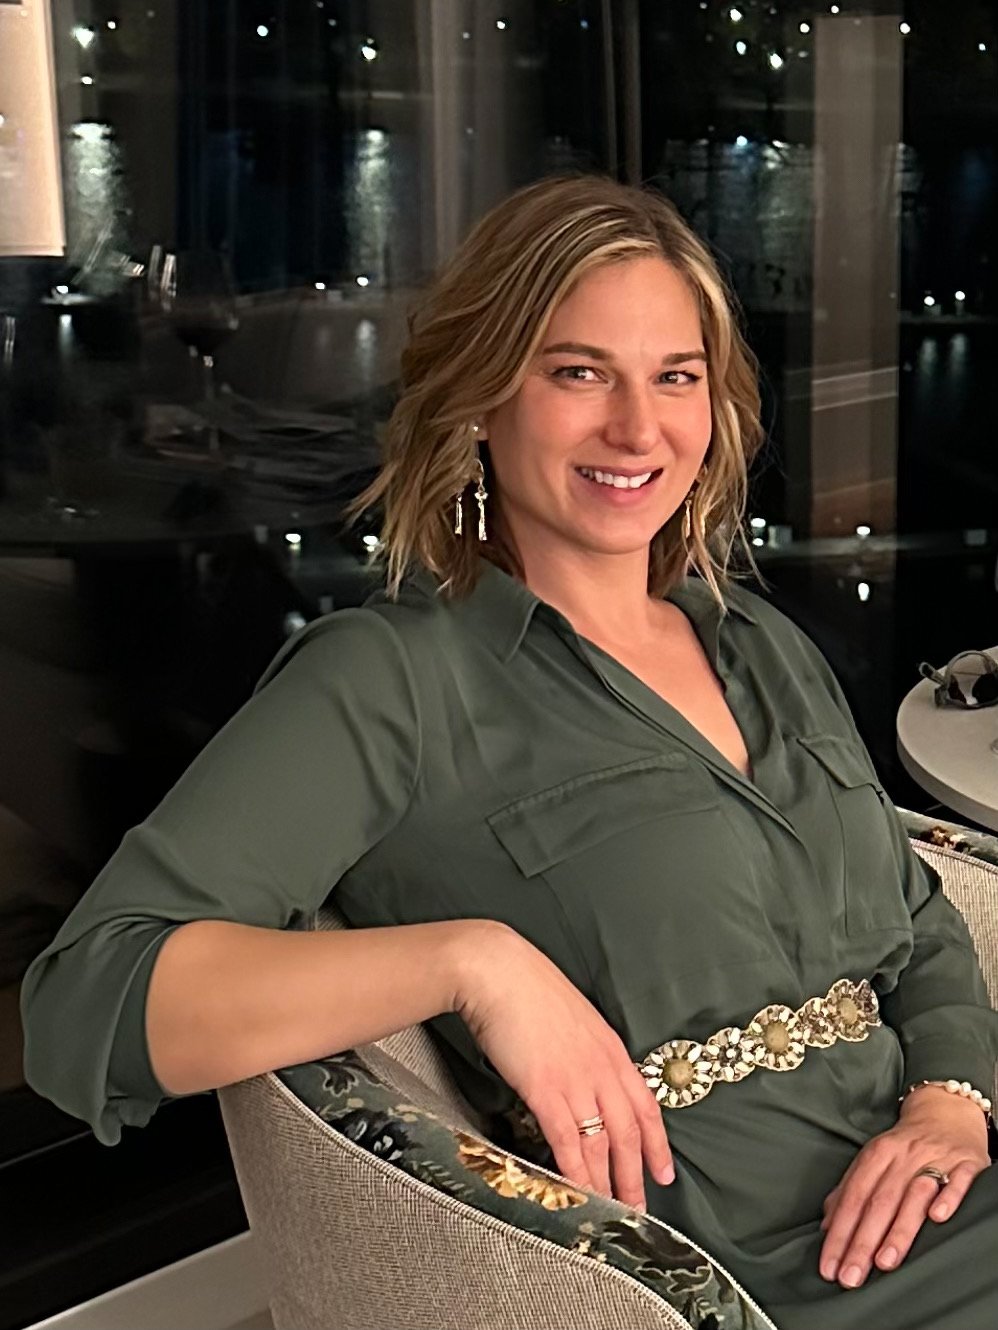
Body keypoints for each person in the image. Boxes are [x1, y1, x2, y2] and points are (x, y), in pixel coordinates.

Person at [20, 174, 998, 1329]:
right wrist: (470, 962)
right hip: (747, 1285)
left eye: (674, 376)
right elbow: (87, 1002)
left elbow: (916, 918)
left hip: (948, 1195)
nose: (636, 428)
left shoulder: (757, 643)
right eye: (577, 372)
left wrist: (949, 1100)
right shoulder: (389, 680)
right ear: (480, 397)